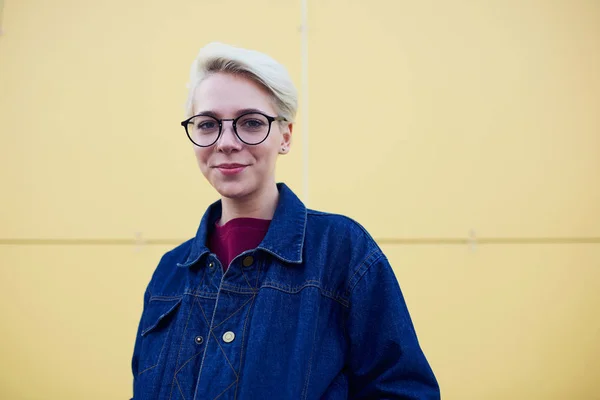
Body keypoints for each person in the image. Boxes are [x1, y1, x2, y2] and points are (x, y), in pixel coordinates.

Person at [130, 42, 440, 400]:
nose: (227, 142)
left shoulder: (342, 251)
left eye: (250, 123)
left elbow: (403, 391)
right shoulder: (169, 273)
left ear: (286, 136)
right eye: (208, 124)